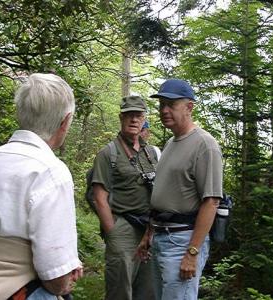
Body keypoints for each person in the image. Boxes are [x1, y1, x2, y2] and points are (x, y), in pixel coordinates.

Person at [0, 73, 83, 299]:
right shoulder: (51, 171)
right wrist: (64, 281)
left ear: (20, 113)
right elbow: (54, 276)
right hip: (16, 290)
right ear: (65, 121)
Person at [137, 79, 223, 300]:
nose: (164, 110)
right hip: (161, 237)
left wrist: (192, 253)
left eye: (171, 104)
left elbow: (211, 202)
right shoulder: (170, 144)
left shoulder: (205, 144)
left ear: (189, 107)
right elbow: (164, 195)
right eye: (161, 104)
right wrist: (149, 233)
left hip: (182, 241)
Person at [91, 95, 157, 300]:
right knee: (120, 289)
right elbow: (99, 195)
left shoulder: (151, 153)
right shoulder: (108, 153)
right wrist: (112, 229)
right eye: (129, 115)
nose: (134, 120)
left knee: (148, 290)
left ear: (144, 118)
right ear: (121, 118)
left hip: (149, 229)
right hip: (123, 227)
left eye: (138, 115)